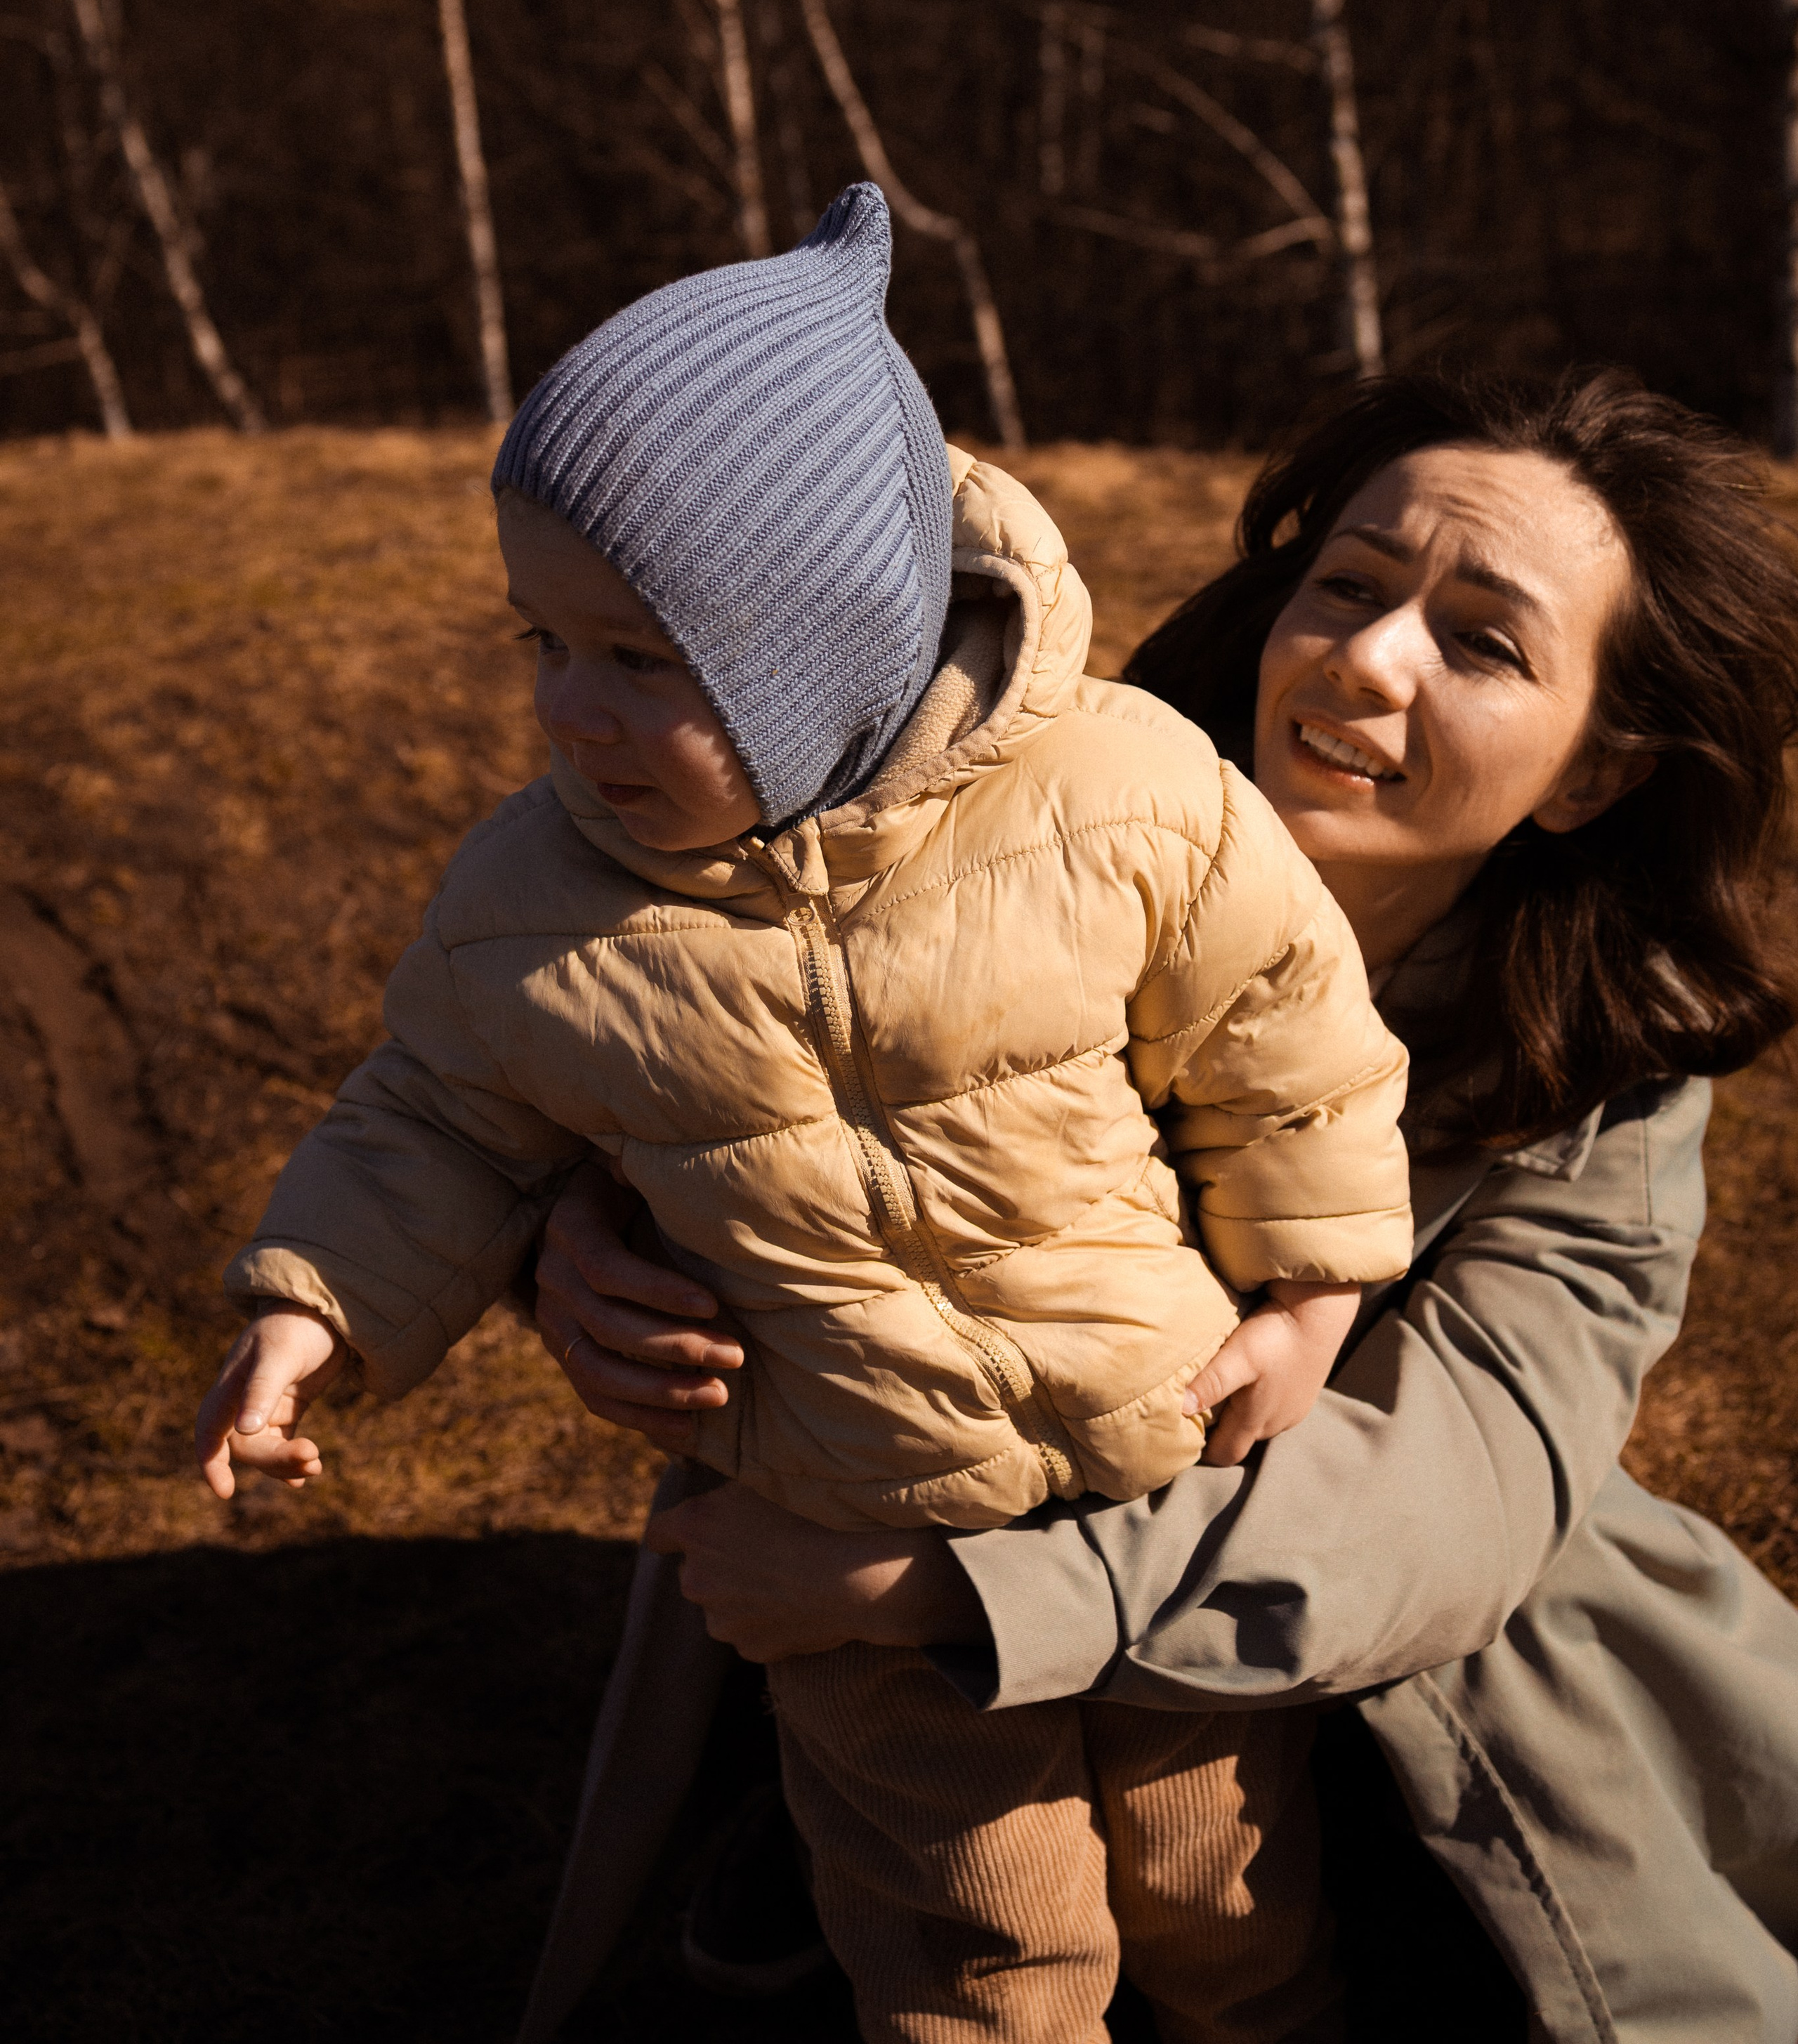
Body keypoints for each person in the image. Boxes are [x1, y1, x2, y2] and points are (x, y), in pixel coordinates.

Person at [192, 183, 1415, 2044]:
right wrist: (313, 1311)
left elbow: (1287, 1035)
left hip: (1158, 1472)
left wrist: (1313, 1297)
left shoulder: (1124, 792)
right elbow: (430, 1118)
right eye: (541, 645)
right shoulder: (534, 902)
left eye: (637, 660)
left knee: (1222, 1906)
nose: (569, 714)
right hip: (837, 1526)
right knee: (976, 1950)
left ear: (828, 644)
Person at [519, 365, 1798, 2044]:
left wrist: (941, 1596)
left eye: (1480, 642)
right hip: (906, 1522)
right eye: (1346, 583)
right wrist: (575, 1234)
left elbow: (1451, 1500)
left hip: (1361, 1638)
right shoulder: (1007, 824)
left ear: (1593, 774)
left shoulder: (1603, 1078)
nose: (1364, 658)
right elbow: (708, 1024)